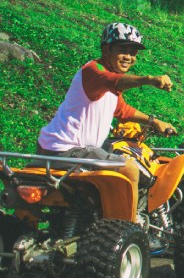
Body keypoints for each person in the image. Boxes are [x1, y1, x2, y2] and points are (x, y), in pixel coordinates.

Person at [37, 22, 175, 211]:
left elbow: (121, 110)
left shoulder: (108, 82)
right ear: (107, 49)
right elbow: (114, 82)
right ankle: (129, 227)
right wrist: (149, 80)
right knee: (130, 169)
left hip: (53, 146)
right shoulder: (94, 71)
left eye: (133, 52)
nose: (129, 57)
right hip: (69, 150)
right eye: (123, 50)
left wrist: (153, 121)